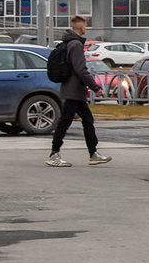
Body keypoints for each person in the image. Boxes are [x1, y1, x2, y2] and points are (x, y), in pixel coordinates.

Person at [47, 15, 111, 168]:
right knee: (65, 122)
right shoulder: (75, 44)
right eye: (85, 25)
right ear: (80, 27)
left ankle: (93, 153)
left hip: (74, 90)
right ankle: (54, 153)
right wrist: (95, 87)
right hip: (73, 90)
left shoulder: (70, 42)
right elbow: (80, 69)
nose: (86, 28)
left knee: (87, 120)